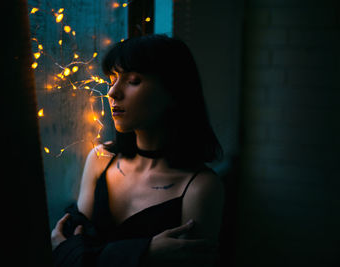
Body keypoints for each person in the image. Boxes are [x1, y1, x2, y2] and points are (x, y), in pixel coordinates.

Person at [51, 34, 225, 267]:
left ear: (174, 92)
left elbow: (70, 252)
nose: (113, 93)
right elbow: (66, 253)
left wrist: (78, 253)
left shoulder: (199, 188)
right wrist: (145, 253)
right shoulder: (101, 159)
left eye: (133, 81)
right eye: (112, 79)